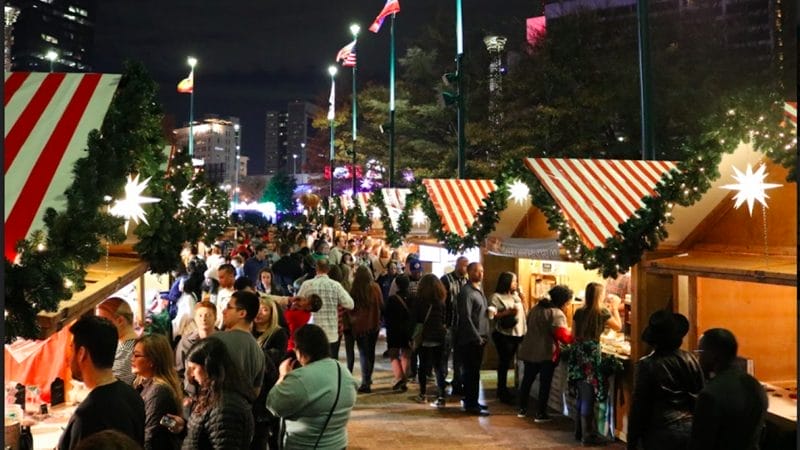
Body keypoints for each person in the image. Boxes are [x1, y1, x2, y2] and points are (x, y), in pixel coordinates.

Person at [58, 316, 145, 450]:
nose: (68, 357)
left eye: (71, 348)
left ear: (81, 353)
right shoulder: (133, 396)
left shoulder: (86, 416)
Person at [266, 324, 358, 449]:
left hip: (306, 445)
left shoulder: (300, 378)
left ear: (300, 351)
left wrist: (283, 376)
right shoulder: (342, 369)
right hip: (338, 444)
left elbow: (273, 405)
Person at [627, 310, 704, 450]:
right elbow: (699, 394)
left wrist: (632, 439)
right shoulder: (691, 359)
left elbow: (639, 406)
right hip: (689, 426)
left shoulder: (647, 364)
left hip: (659, 430)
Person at [166, 338, 255, 450]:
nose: (190, 375)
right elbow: (205, 436)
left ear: (210, 367)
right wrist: (184, 428)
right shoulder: (212, 396)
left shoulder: (225, 406)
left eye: (194, 368)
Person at [688, 328, 767, 450]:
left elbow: (700, 444)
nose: (698, 358)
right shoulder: (755, 385)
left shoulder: (710, 394)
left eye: (700, 352)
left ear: (712, 354)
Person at [569, 282, 622, 446]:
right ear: (599, 295)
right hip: (592, 353)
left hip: (578, 351)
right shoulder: (602, 312)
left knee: (581, 391)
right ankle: (588, 435)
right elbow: (618, 327)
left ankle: (579, 431)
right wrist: (614, 308)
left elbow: (573, 333)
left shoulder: (579, 311)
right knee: (588, 395)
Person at [517, 284, 575, 421]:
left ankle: (522, 409)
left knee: (527, 380)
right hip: (546, 352)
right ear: (563, 301)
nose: (567, 306)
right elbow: (563, 336)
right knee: (545, 383)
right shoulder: (556, 313)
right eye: (567, 303)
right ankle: (540, 413)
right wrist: (575, 335)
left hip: (529, 349)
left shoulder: (536, 308)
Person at [131, 334, 183, 450]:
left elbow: (149, 435)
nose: (132, 358)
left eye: (137, 355)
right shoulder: (142, 385)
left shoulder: (158, 390)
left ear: (152, 361)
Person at [296, 258, 355, 358]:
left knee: (314, 361)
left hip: (313, 330)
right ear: (328, 270)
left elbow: (297, 303)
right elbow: (350, 304)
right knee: (331, 361)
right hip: (331, 332)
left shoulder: (307, 285)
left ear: (316, 269)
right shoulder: (336, 286)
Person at [216, 289, 268, 398]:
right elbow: (255, 392)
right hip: (243, 411)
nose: (223, 311)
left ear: (242, 313)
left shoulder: (216, 340)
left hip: (216, 407)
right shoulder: (259, 352)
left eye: (229, 307)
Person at [455, 262, 491, 416]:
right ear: (469, 272)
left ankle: (473, 401)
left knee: (475, 372)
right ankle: (471, 404)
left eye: (482, 271)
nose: (480, 274)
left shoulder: (479, 290)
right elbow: (466, 317)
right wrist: (476, 336)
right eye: (476, 271)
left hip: (480, 337)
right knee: (470, 372)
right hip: (471, 339)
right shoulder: (467, 293)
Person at [488, 271, 527, 404]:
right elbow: (491, 315)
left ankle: (512, 388)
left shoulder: (516, 296)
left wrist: (523, 299)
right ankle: (502, 390)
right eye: (513, 281)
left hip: (519, 332)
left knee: (515, 362)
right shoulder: (496, 297)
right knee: (505, 362)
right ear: (506, 282)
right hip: (504, 334)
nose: (516, 283)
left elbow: (524, 312)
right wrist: (507, 312)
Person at [413, 274, 449, 408]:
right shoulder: (441, 302)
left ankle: (423, 394)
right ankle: (441, 396)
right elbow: (444, 319)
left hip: (425, 337)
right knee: (439, 367)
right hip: (439, 337)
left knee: (422, 366)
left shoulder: (419, 301)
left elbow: (416, 320)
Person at [348, 265, 383, 393]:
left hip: (360, 326)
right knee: (371, 352)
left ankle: (365, 382)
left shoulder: (355, 289)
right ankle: (368, 378)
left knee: (363, 353)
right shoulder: (375, 288)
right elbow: (381, 305)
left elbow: (350, 307)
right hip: (374, 325)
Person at [175, 301, 217, 398]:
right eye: (200, 315)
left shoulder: (223, 340)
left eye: (208, 315)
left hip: (216, 394)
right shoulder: (185, 342)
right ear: (195, 318)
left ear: (215, 318)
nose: (204, 319)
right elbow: (178, 371)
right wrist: (184, 395)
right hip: (191, 395)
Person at [440, 256, 469, 396]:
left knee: (459, 355)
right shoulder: (446, 280)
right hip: (449, 323)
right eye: (464, 265)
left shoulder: (467, 281)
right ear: (457, 265)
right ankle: (442, 381)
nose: (465, 269)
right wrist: (442, 322)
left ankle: (457, 382)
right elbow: (441, 302)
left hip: (462, 325)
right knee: (445, 353)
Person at [95, 297, 138, 385]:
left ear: (120, 321)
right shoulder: (137, 341)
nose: (101, 327)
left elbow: (111, 390)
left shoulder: (125, 353)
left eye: (104, 321)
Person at [385, 273, 413, 393]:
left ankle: (399, 377)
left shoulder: (392, 299)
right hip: (408, 330)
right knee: (406, 355)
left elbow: (387, 316)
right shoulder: (414, 298)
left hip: (394, 330)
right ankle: (404, 380)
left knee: (393, 354)